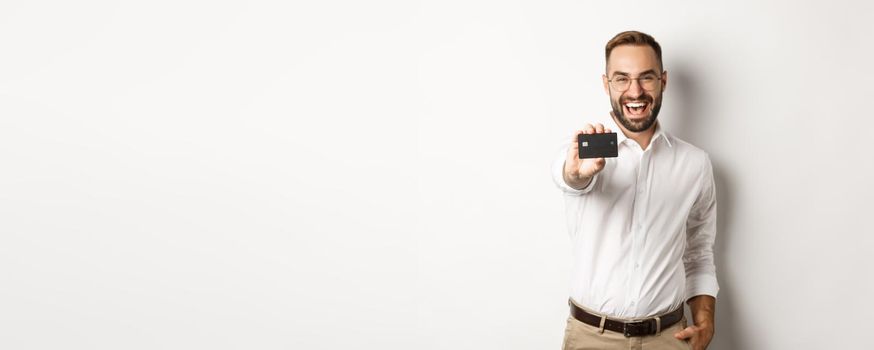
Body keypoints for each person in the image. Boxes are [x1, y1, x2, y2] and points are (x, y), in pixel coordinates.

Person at [551, 31, 718, 350]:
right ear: (606, 84)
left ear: (663, 81)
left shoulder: (695, 164)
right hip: (591, 339)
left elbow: (699, 250)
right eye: (622, 79)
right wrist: (576, 173)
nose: (635, 91)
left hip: (669, 338)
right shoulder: (581, 154)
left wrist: (706, 320)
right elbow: (569, 177)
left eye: (646, 77)